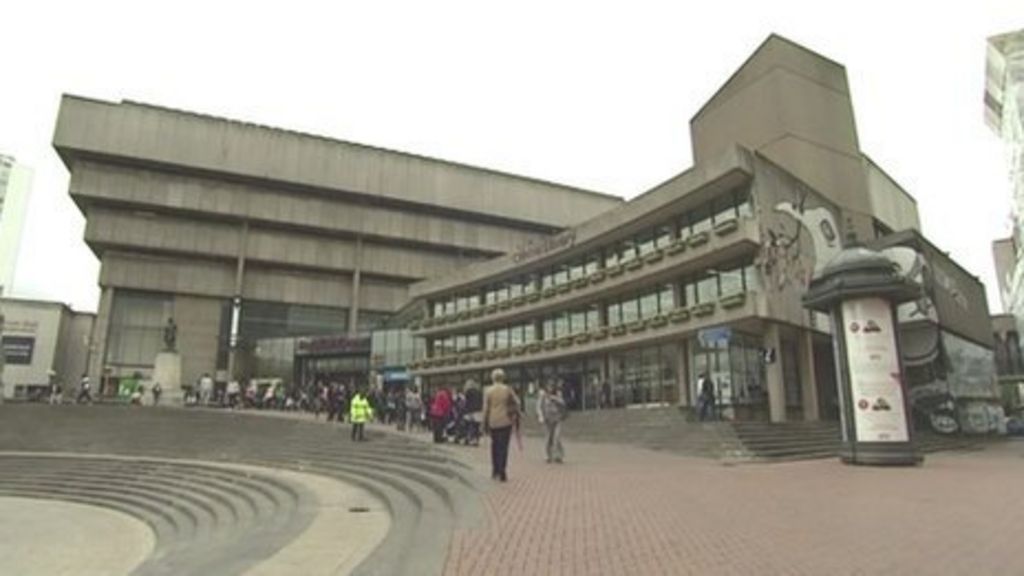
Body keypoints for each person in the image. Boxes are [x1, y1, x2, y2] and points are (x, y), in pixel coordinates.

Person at [483, 368, 520, 482]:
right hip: (506, 420)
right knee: (504, 447)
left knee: (494, 446)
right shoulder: (507, 389)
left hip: (493, 421)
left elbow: (486, 409)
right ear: (503, 378)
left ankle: (495, 470)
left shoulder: (488, 391)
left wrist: (484, 423)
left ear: (493, 378)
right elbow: (517, 402)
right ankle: (503, 471)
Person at [540, 383, 567, 463]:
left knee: (557, 437)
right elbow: (540, 406)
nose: (550, 389)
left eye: (551, 387)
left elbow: (563, 403)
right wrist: (541, 417)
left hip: (557, 419)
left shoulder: (558, 395)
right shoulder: (543, 396)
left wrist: (554, 398)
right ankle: (548, 455)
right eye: (548, 387)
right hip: (548, 420)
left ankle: (559, 455)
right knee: (548, 438)